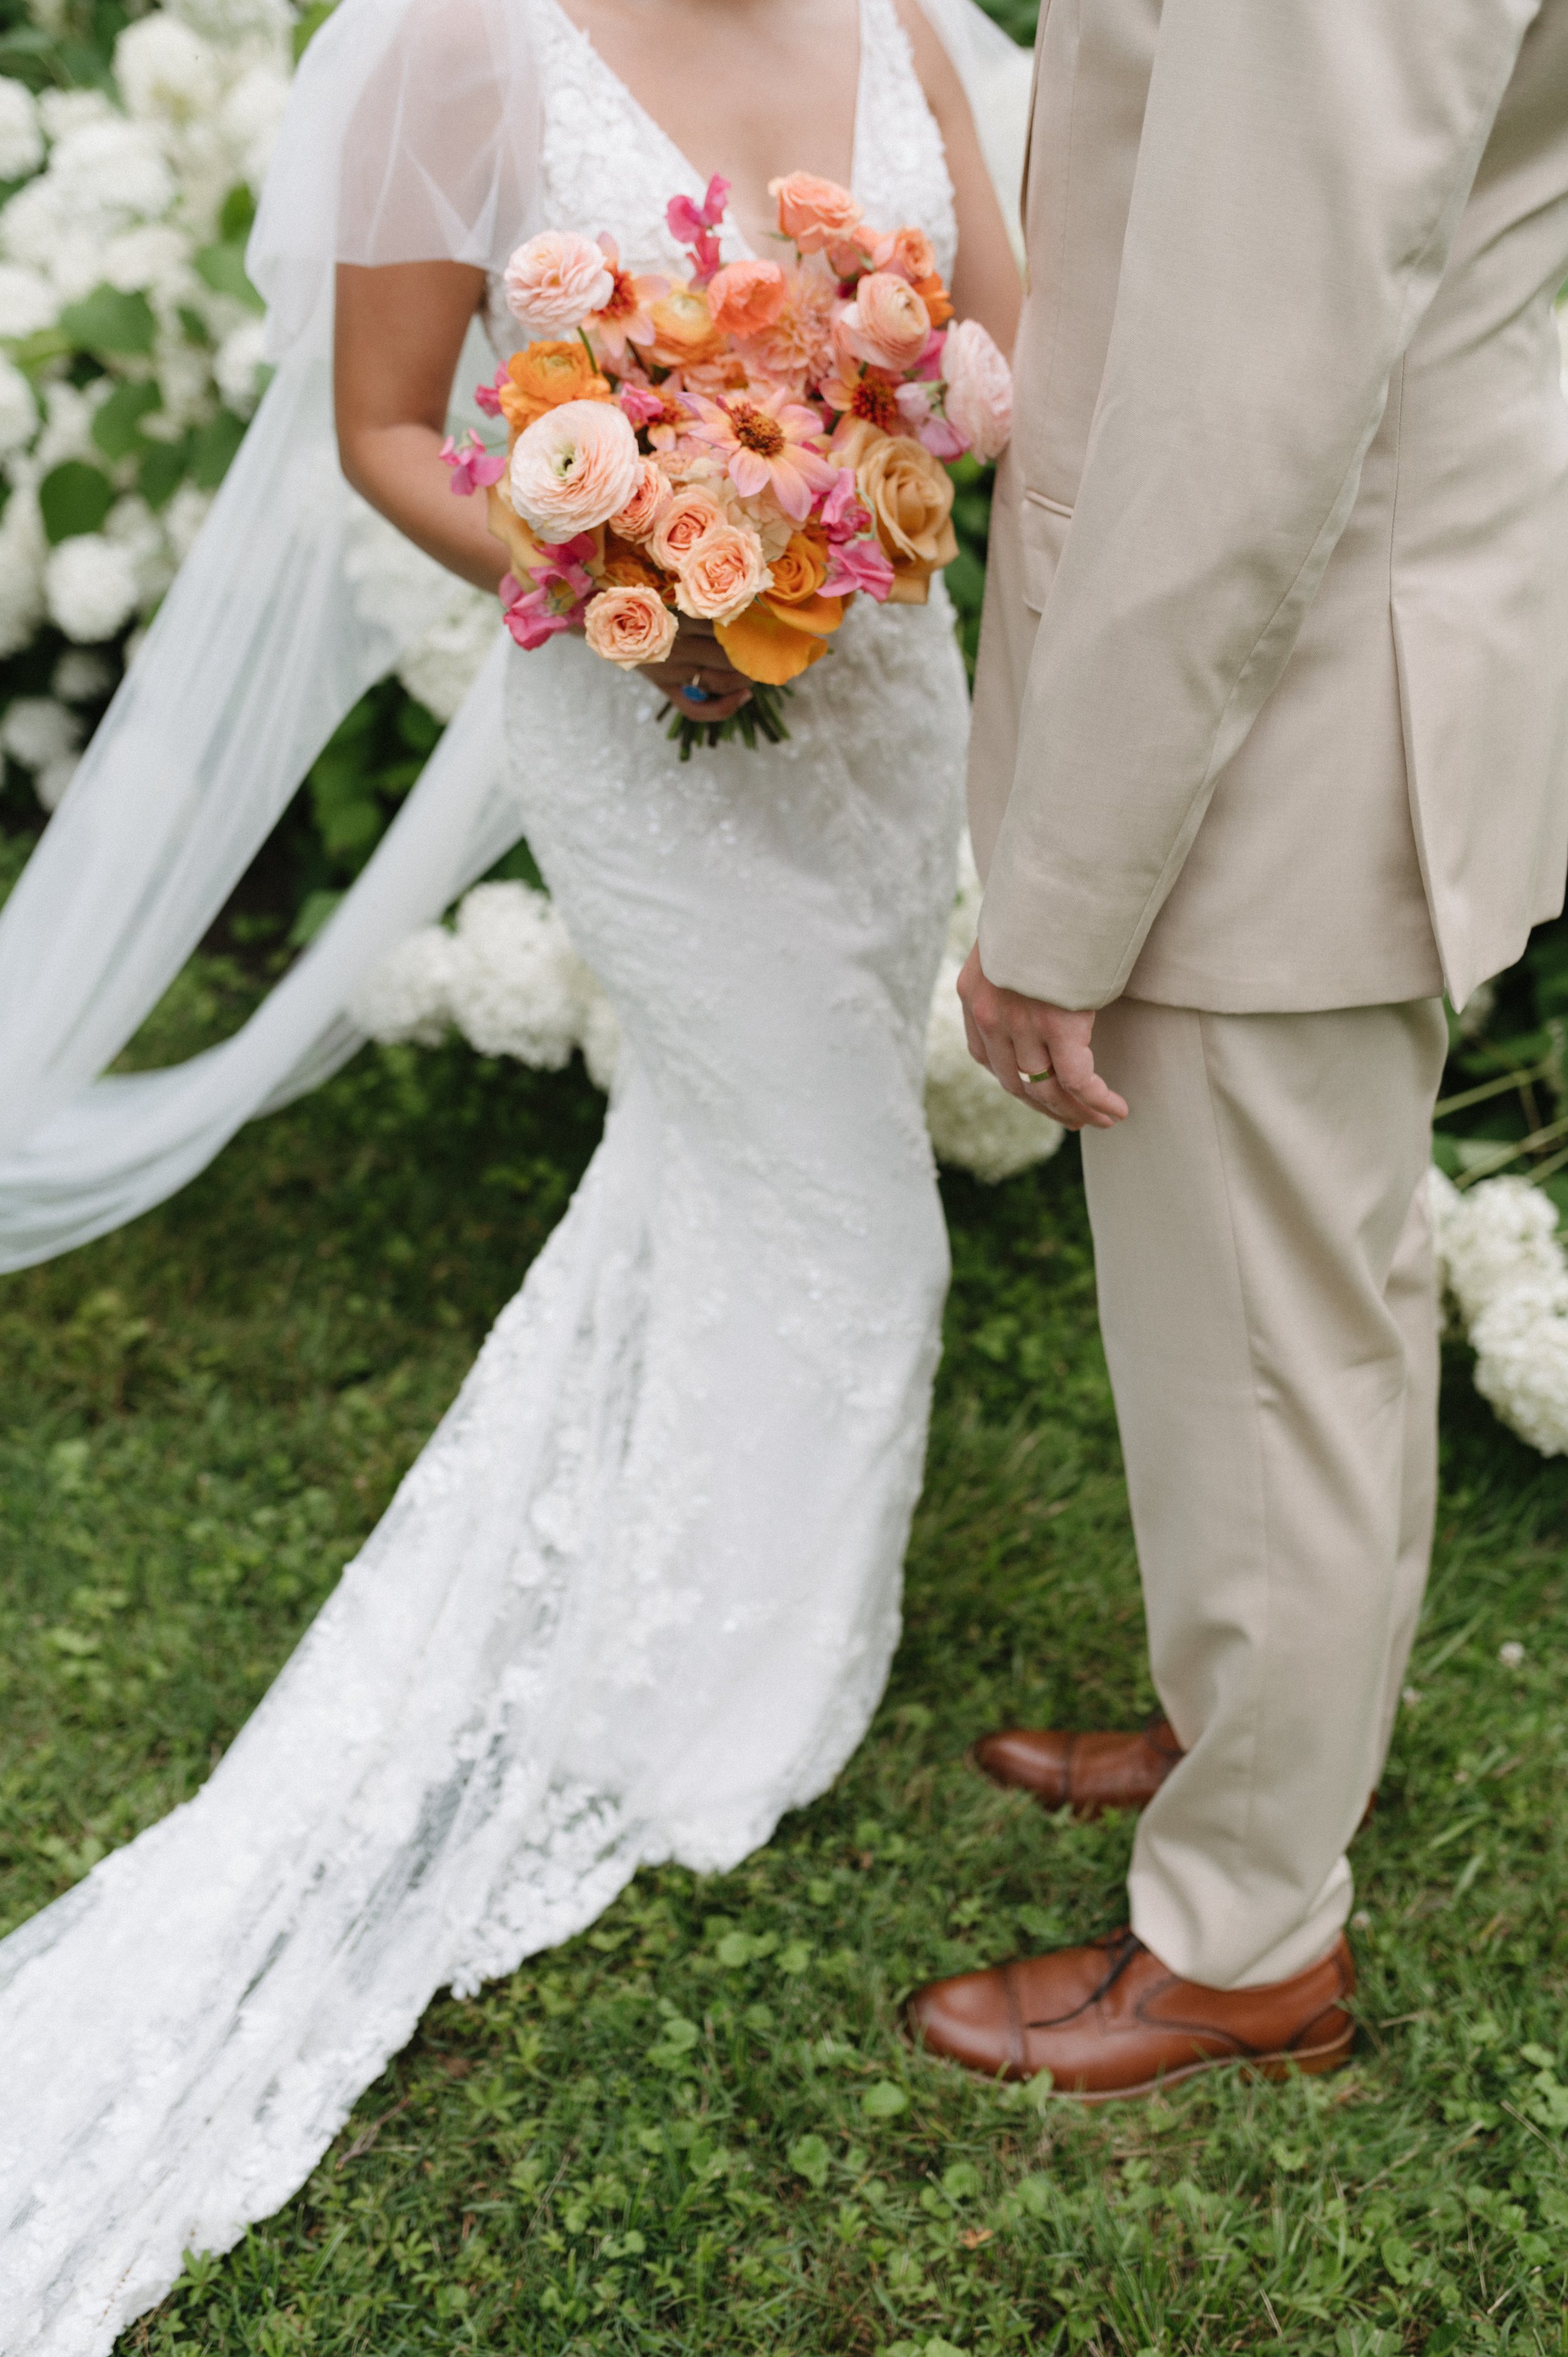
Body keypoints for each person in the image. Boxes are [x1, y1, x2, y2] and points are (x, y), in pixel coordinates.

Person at [0, 1, 1027, 2344]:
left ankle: (734, 1550)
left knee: (752, 1160)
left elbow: (1003, 357)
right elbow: (382, 430)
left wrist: (862, 487)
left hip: (877, 703)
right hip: (643, 712)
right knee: (845, 1207)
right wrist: (628, 558)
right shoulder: (461, 61)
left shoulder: (906, 38)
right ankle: (736, 1691)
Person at [908, 0, 1568, 2096]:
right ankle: (1263, 1728)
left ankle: (1245, 1935)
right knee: (1314, 1299)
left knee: (1265, 1342)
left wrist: (1066, 887)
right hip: (1362, 644)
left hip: (1267, 727)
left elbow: (1242, 403)